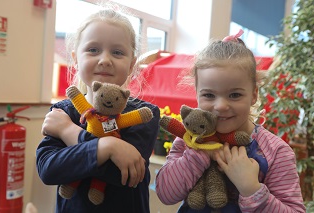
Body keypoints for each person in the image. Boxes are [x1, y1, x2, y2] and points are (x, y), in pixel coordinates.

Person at [155, 30, 306, 213]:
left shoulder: (276, 152)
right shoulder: (189, 140)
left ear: (254, 95)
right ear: (197, 94)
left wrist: (251, 189)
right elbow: (165, 194)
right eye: (209, 95)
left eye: (235, 95)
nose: (220, 106)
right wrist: (199, 154)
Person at [36, 6, 160, 213]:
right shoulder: (63, 112)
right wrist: (108, 147)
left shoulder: (144, 114)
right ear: (76, 59)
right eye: (93, 50)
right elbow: (48, 169)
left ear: (131, 65)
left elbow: (122, 174)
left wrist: (70, 132)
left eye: (118, 52)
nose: (105, 60)